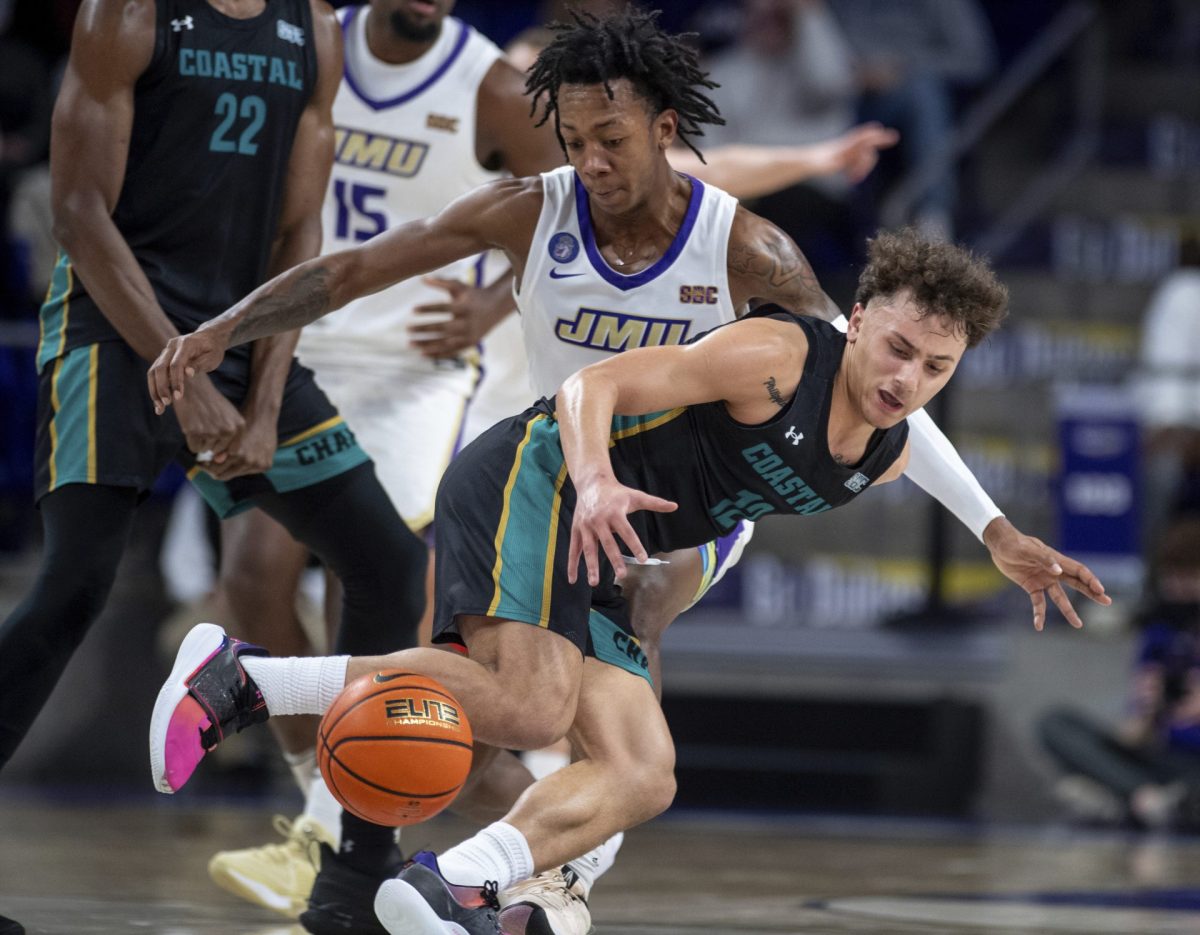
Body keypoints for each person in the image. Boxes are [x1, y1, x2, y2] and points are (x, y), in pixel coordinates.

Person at [145, 10, 1110, 934]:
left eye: (610, 139)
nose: (590, 161)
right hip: (555, 463)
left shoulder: (748, 252)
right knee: (513, 707)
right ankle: (310, 758)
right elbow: (359, 270)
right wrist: (228, 325)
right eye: (571, 139)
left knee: (639, 750)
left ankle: (481, 880)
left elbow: (865, 391)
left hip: (676, 503)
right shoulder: (534, 211)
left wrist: (994, 528)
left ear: (664, 129)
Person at [0, 1, 428, 932]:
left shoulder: (312, 29)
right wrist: (177, 372)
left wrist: (266, 397)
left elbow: (299, 232)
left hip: (238, 334)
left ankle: (355, 874)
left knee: (390, 565)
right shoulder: (131, 15)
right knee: (71, 587)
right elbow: (78, 211)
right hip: (111, 333)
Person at [199, 1, 565, 929]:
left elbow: (569, 212)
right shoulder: (314, 40)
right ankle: (321, 808)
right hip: (301, 350)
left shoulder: (487, 85)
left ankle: (339, 838)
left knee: (354, 587)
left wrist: (489, 305)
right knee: (250, 577)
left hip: (417, 373)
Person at [1039, 517, 1200, 831]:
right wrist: (1147, 714)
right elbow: (1135, 735)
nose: (1180, 593)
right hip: (1160, 760)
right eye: (1174, 582)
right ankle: (1144, 797)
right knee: (1056, 724)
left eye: (1188, 580)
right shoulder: (1162, 635)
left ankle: (1122, 796)